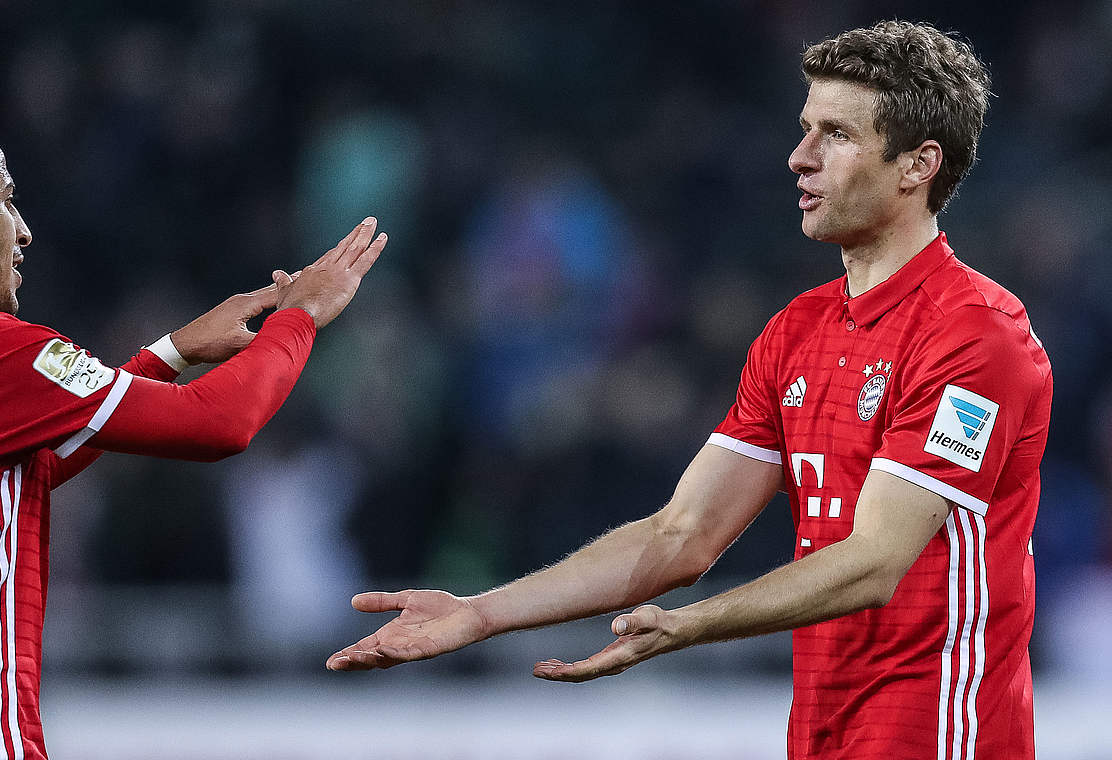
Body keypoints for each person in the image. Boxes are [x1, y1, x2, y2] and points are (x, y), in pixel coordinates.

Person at [329, 20, 1048, 760]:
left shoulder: (976, 336)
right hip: (824, 740)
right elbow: (681, 534)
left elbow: (876, 562)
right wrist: (482, 614)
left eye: (835, 134)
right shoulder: (797, 332)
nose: (799, 158)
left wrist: (690, 625)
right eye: (805, 129)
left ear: (916, 165)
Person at [0, 102, 386, 760]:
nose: (23, 230)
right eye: (5, 200)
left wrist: (171, 353)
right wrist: (298, 318)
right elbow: (222, 423)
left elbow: (8, 483)